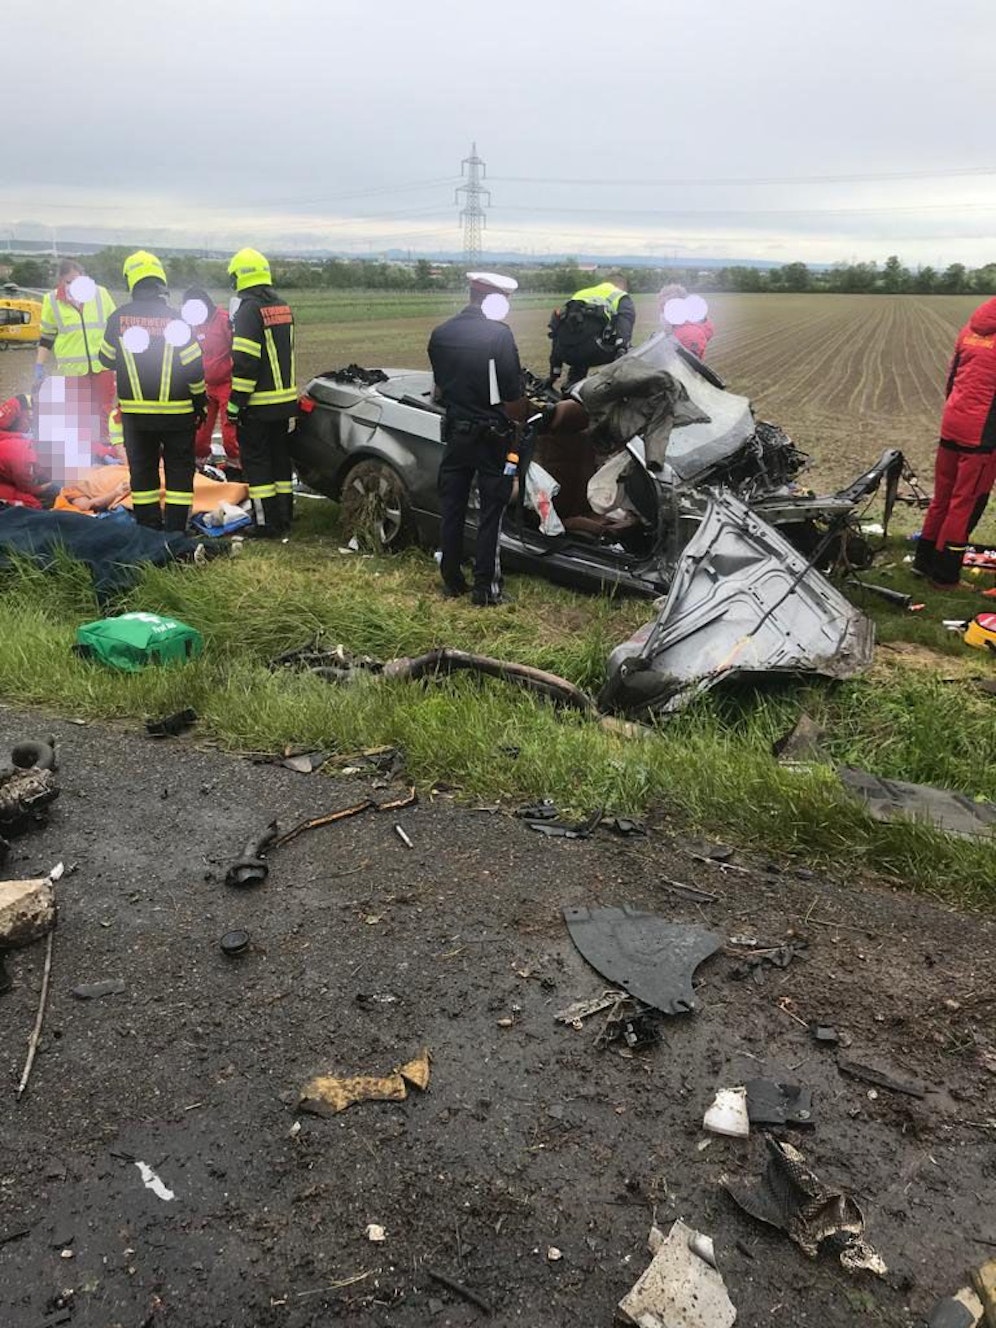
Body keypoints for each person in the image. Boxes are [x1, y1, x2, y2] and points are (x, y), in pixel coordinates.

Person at [428, 271, 525, 606]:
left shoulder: (441, 333)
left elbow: (440, 387)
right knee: (491, 511)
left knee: (452, 507)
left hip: (456, 433)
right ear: (495, 301)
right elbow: (511, 392)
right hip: (490, 436)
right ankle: (486, 588)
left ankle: (451, 580)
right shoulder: (499, 334)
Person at [97, 250, 206, 532]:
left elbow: (106, 358)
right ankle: (176, 529)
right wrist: (200, 403)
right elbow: (195, 368)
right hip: (178, 415)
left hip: (136, 417)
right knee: (179, 471)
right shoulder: (177, 320)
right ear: (160, 281)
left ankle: (148, 529)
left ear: (131, 281)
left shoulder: (118, 318)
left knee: (143, 473)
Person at [914, 296, 996, 588]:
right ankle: (945, 575)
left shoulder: (969, 331)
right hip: (981, 436)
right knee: (965, 504)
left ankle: (923, 563)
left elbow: (952, 377)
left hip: (952, 424)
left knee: (942, 499)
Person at [226, 248, 297, 536]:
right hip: (283, 402)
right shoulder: (282, 307)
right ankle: (285, 515)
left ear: (240, 277)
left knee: (257, 464)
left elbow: (245, 362)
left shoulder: (248, 311)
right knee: (280, 460)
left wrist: (236, 404)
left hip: (257, 404)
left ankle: (266, 523)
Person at [35, 258, 117, 451]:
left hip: (102, 366)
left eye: (77, 281)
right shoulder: (51, 301)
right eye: (68, 282)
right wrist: (39, 365)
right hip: (72, 371)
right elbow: (47, 337)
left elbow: (116, 328)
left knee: (104, 412)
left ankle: (106, 453)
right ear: (60, 281)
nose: (73, 286)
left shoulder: (101, 294)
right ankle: (84, 454)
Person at [183, 286, 240, 471]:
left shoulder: (224, 320)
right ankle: (198, 467)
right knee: (199, 434)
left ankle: (237, 468)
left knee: (229, 434)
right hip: (205, 386)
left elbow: (238, 349)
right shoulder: (193, 324)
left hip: (227, 384)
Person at [547, 272, 636, 387]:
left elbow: (560, 329)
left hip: (564, 352)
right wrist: (622, 350)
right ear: (623, 286)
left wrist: (554, 374)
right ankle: (617, 389)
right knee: (632, 351)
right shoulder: (620, 296)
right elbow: (624, 329)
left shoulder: (581, 293)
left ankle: (572, 385)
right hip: (591, 351)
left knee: (582, 340)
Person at [0, 394, 56, 508]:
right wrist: (21, 436)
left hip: (17, 459)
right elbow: (28, 488)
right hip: (15, 461)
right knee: (32, 504)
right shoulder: (15, 405)